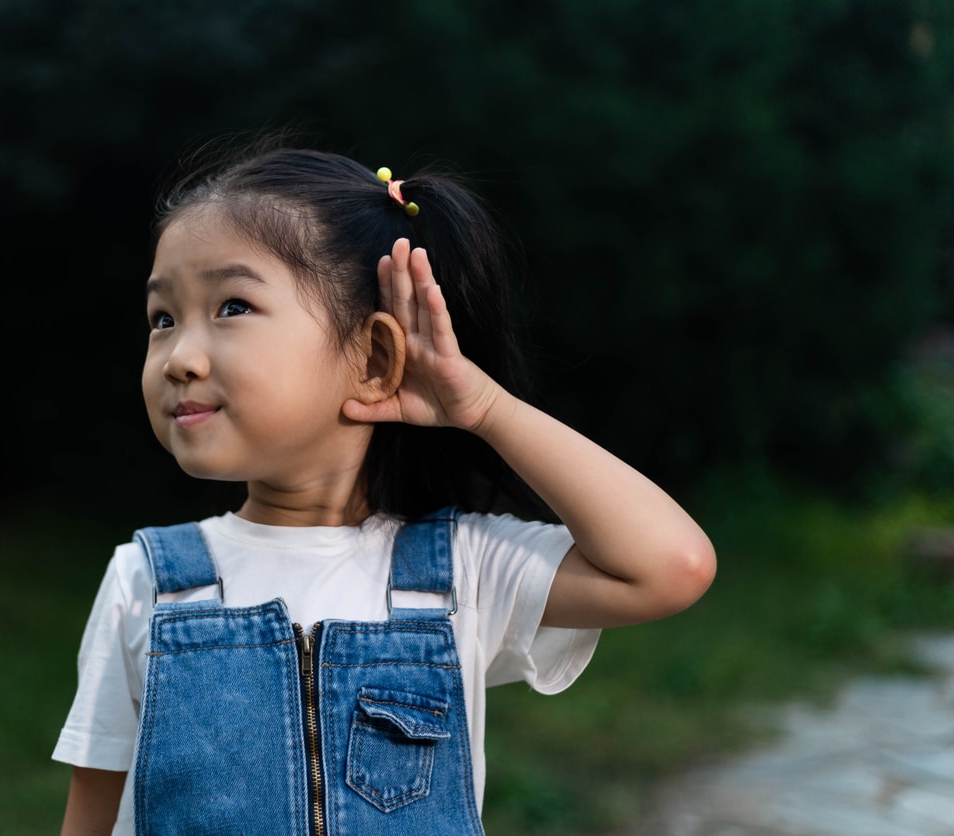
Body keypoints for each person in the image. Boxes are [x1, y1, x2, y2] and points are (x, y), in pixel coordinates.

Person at [53, 141, 716, 836]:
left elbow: (672, 566)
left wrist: (485, 410)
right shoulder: (150, 584)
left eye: (232, 307)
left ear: (371, 359)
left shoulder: (461, 572)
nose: (180, 358)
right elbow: (90, 818)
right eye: (163, 319)